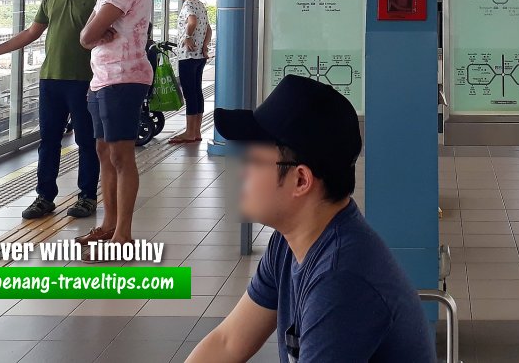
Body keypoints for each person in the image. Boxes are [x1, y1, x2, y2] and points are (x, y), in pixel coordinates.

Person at [186, 75, 435, 363]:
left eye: (253, 161)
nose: (242, 173)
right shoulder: (289, 242)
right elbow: (227, 342)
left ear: (301, 180)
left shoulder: (341, 278)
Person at [0, 0, 102, 219]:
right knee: (49, 140)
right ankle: (44, 197)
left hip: (85, 80)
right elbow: (31, 33)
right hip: (50, 79)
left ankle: (88, 196)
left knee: (87, 141)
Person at [77, 0, 153, 255]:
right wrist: (93, 36)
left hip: (124, 78)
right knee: (104, 153)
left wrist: (91, 37)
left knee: (121, 157)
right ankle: (108, 225)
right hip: (104, 78)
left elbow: (86, 35)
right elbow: (92, 35)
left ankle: (123, 232)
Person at [168, 0, 210, 145]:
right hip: (200, 55)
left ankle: (189, 132)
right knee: (197, 92)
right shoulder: (201, 5)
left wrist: (187, 37)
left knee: (189, 93)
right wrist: (205, 46)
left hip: (188, 56)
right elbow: (208, 29)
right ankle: (196, 131)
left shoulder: (188, 5)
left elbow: (191, 21)